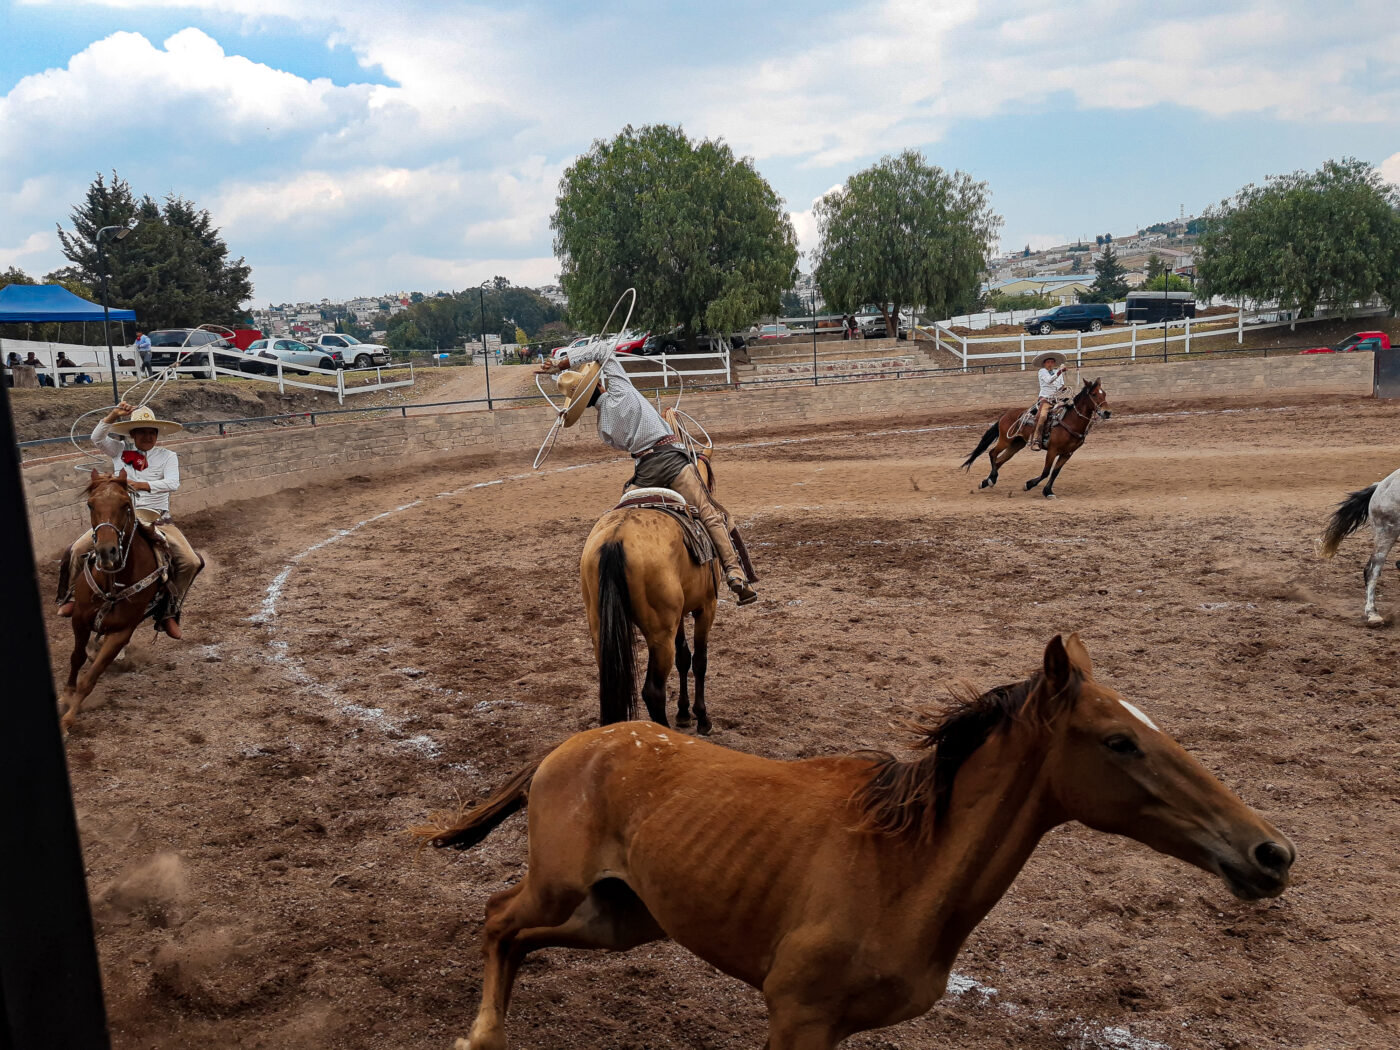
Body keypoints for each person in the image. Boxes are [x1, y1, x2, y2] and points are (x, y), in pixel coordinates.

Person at [536, 340, 758, 605]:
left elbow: (630, 444)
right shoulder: (622, 391)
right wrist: (563, 363)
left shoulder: (603, 429)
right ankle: (734, 573)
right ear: (598, 383)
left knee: (621, 513)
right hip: (673, 462)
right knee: (709, 513)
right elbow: (604, 350)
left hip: (644, 474)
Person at [57, 401, 202, 638]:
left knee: (191, 561)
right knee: (76, 549)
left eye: (151, 432)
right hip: (120, 519)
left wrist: (140, 485)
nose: (147, 436)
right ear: (132, 434)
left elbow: (172, 483)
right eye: (142, 431)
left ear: (157, 434)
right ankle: (71, 595)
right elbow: (96, 438)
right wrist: (114, 414)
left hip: (158, 519)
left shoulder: (168, 456)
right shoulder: (119, 451)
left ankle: (169, 611)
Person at [1030, 351, 1068, 451]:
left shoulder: (1057, 372)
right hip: (1045, 399)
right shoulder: (1042, 372)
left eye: (1052, 362)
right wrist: (1060, 372)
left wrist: (1063, 388)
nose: (1050, 364)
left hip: (1057, 399)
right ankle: (1035, 440)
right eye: (1048, 362)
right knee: (1042, 416)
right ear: (1044, 364)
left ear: (1054, 363)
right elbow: (1048, 380)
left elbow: (1060, 386)